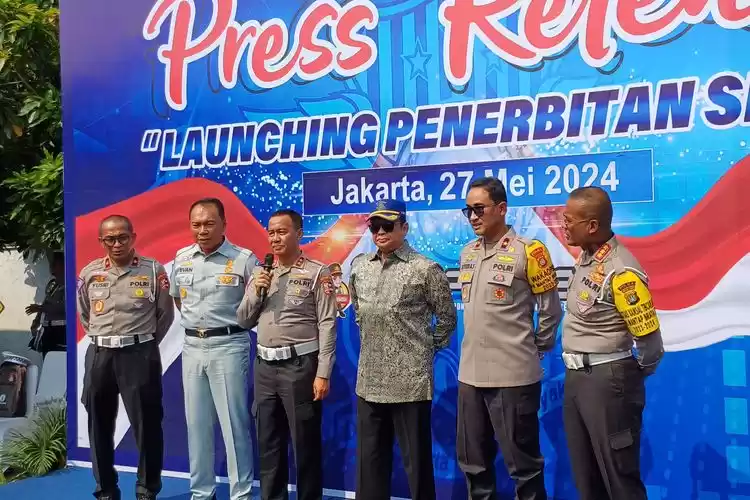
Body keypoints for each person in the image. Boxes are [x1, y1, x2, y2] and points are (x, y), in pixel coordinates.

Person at [456, 177, 562, 500]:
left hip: (513, 376)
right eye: (468, 210)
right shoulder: (467, 253)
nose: (473, 217)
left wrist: (534, 348)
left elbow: (550, 311)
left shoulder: (529, 251)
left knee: (524, 468)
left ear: (502, 208)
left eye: (479, 209)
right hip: (470, 375)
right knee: (474, 466)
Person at [349, 199, 457, 500]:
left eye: (388, 225)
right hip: (369, 382)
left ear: (404, 228)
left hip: (410, 386)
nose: (380, 232)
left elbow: (447, 318)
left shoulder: (425, 269)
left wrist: (422, 352)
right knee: (370, 466)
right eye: (375, 226)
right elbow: (358, 311)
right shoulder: (359, 267)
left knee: (417, 467)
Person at [561, 186, 664, 500]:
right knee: (586, 478)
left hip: (608, 382)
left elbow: (650, 343)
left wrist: (627, 375)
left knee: (619, 479)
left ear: (592, 225)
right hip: (577, 379)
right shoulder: (587, 258)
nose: (563, 225)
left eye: (569, 220)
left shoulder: (621, 270)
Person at [237, 209, 337, 500]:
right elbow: (243, 320)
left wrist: (323, 373)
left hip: (300, 367)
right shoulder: (261, 273)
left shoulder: (317, 273)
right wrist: (256, 291)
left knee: (305, 445)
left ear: (299, 234)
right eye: (271, 232)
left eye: (282, 231)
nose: (275, 238)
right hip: (264, 368)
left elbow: (327, 324)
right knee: (269, 445)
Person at [76, 215, 173, 500]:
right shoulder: (90, 273)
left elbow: (165, 314)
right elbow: (85, 313)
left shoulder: (153, 270)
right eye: (110, 239)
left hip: (138, 354)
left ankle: (147, 489)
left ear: (133, 237)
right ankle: (105, 489)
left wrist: (141, 344)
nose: (116, 244)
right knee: (98, 423)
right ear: (101, 241)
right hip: (100, 354)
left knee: (147, 424)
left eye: (122, 237)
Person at [170, 198, 255, 500]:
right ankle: (202, 493)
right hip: (192, 345)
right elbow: (178, 299)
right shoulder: (182, 258)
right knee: (197, 425)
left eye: (209, 223)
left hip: (229, 345)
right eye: (196, 224)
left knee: (234, 425)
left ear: (224, 224)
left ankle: (241, 494)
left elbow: (256, 303)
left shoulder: (244, 259)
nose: (202, 230)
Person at [28, 251, 67, 358]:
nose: (52, 268)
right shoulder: (53, 285)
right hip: (47, 331)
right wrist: (36, 322)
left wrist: (40, 308)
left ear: (64, 265)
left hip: (61, 331)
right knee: (47, 360)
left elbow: (65, 307)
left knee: (58, 360)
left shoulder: (71, 285)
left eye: (55, 264)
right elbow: (46, 302)